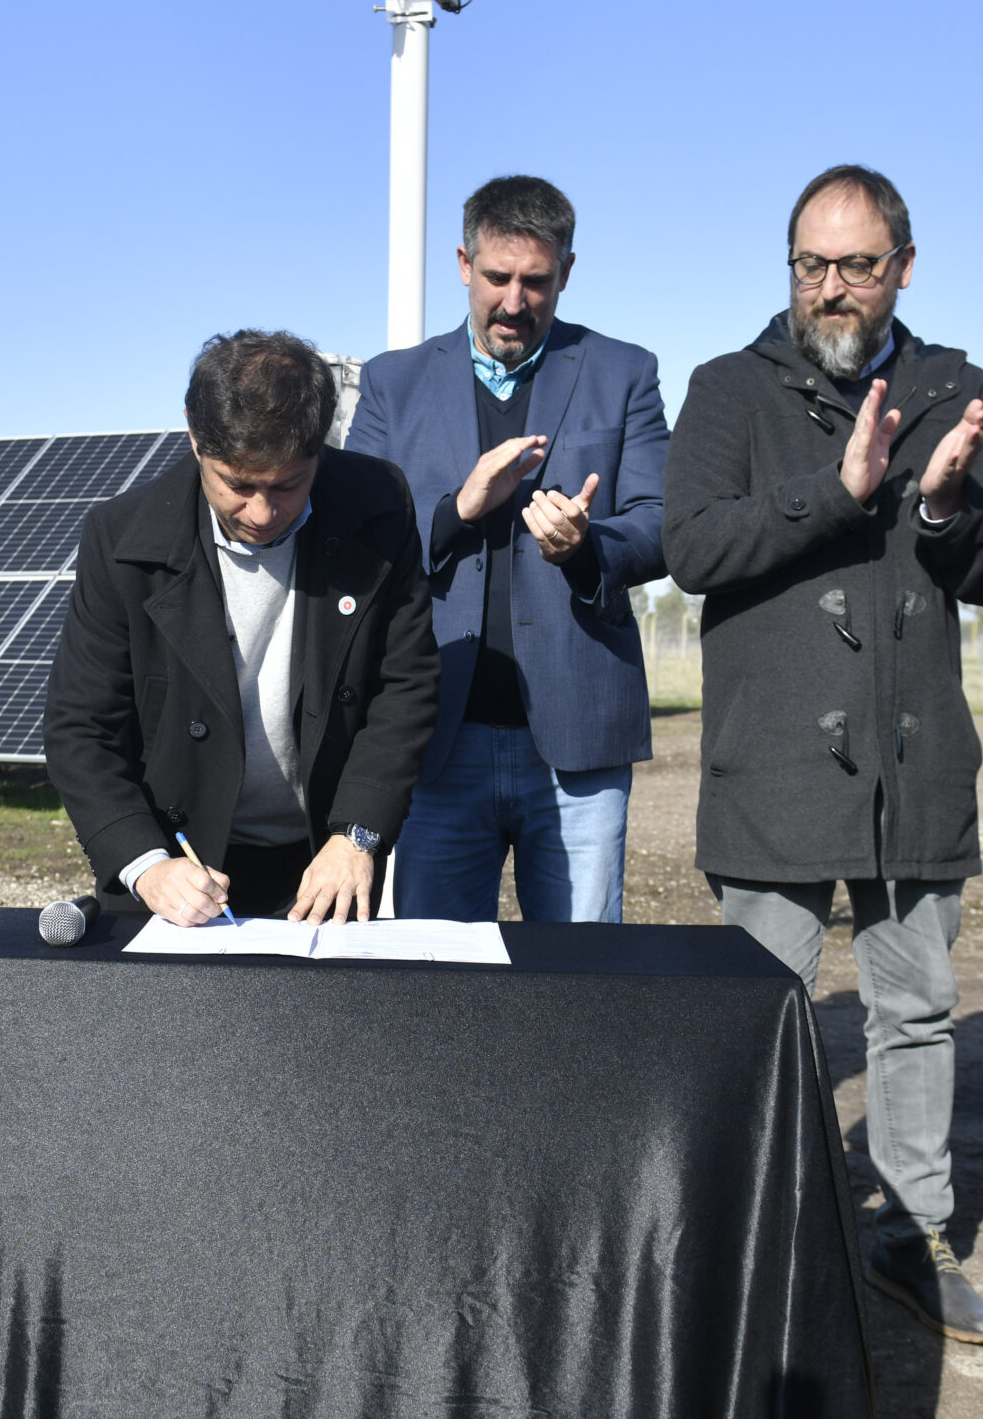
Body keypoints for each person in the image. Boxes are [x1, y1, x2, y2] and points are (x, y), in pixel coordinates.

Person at [663, 164, 983, 1345]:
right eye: (810, 265)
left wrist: (941, 510)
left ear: (901, 269)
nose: (830, 288)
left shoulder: (955, 389)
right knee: (758, 1017)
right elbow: (692, 547)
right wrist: (838, 491)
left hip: (912, 771)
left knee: (914, 1010)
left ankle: (910, 1237)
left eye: (856, 266)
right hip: (770, 764)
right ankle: (752, 1235)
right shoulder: (727, 389)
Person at [344, 175, 668, 922]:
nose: (514, 302)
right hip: (436, 741)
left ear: (567, 272)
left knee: (580, 977)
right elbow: (354, 533)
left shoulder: (625, 373)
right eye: (497, 278)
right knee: (440, 975)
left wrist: (586, 548)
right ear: (463, 264)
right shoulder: (392, 382)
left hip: (580, 747)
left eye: (536, 281)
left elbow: (660, 521)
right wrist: (457, 509)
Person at [47, 329, 438, 923]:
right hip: (177, 865)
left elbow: (405, 685)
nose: (262, 512)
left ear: (320, 447)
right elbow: (80, 727)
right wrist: (145, 864)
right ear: (194, 436)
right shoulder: (121, 540)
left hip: (325, 857)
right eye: (237, 484)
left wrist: (357, 834)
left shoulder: (379, 505)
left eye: (287, 485)